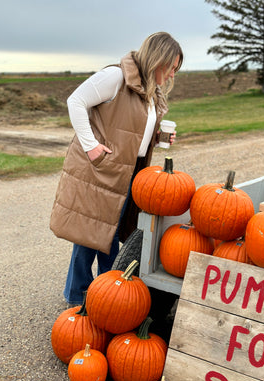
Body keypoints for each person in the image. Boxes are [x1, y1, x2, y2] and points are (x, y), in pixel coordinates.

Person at [50, 32, 183, 305]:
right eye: (172, 68)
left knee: (112, 233)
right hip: (102, 169)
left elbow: (133, 130)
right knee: (92, 234)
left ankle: (103, 296)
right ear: (159, 60)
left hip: (129, 170)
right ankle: (77, 298)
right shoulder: (116, 77)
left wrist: (158, 137)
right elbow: (75, 102)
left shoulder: (148, 90)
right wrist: (91, 146)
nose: (172, 75)